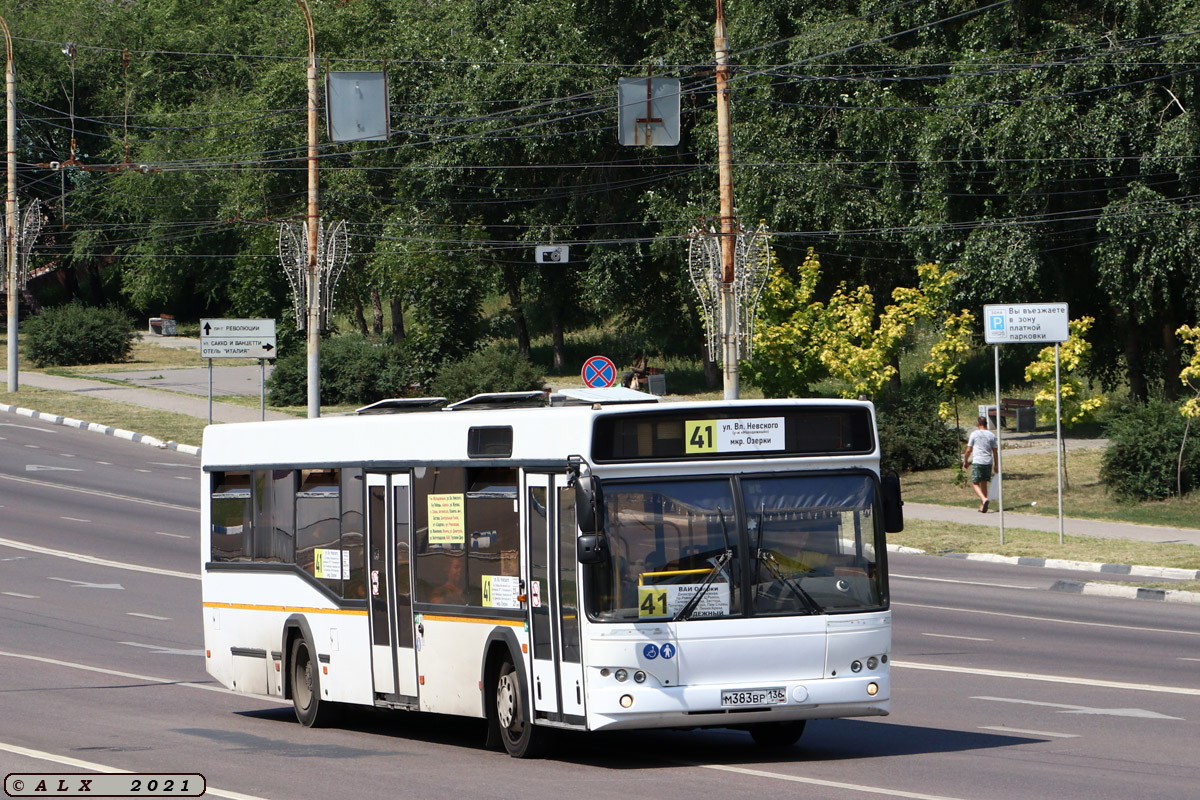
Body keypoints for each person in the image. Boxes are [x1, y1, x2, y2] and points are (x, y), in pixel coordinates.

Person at [963, 416, 999, 513]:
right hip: (988, 461)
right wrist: (996, 464)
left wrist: (965, 460)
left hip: (978, 461)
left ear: (978, 424)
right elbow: (995, 451)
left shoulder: (974, 434)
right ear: (986, 424)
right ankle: (982, 506)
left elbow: (968, 450)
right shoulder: (991, 435)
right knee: (984, 482)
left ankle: (984, 499)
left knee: (975, 483)